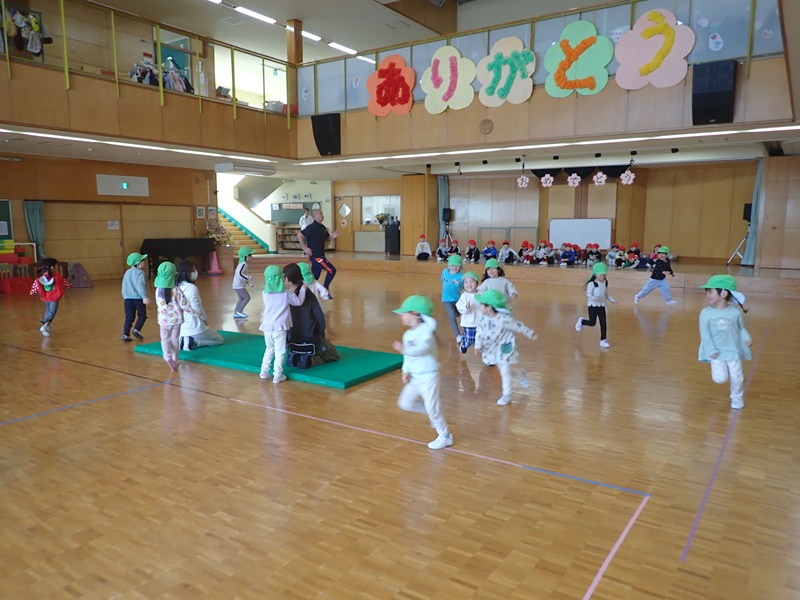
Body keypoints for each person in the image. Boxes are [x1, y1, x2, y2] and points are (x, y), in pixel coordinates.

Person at [391, 295, 453, 450]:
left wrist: (403, 349)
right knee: (405, 403)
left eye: (404, 312)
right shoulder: (407, 335)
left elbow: (421, 350)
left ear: (415, 314)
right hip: (415, 378)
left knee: (433, 410)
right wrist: (406, 371)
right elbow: (408, 357)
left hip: (429, 377)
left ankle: (445, 436)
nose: (401, 316)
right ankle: (431, 410)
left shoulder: (427, 332)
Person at [473, 289, 537, 406]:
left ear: (489, 307)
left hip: (504, 347)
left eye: (482, 305)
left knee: (504, 370)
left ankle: (507, 395)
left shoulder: (503, 319)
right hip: (491, 348)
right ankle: (519, 373)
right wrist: (478, 345)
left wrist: (530, 334)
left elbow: (518, 326)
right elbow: (479, 333)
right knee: (505, 369)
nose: (480, 307)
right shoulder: (482, 319)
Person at [698, 275, 752, 410]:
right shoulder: (705, 313)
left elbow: (741, 328)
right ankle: (721, 370)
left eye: (710, 291)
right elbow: (705, 335)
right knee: (720, 378)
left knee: (737, 377)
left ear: (723, 293)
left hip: (733, 350)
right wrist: (711, 350)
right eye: (707, 292)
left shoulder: (735, 313)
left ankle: (737, 398)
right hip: (716, 352)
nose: (707, 295)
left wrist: (746, 337)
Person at [283, 263, 339, 368]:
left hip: (292, 338)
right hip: (310, 337)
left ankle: (294, 355)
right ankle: (311, 360)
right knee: (333, 353)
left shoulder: (284, 296)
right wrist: (321, 336)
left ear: (287, 279)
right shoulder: (309, 295)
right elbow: (319, 318)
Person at [259, 264, 306, 383]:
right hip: (279, 327)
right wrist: (303, 290)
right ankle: (277, 375)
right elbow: (298, 302)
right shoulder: (286, 294)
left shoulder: (265, 293)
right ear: (282, 278)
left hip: (267, 326)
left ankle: (264, 371)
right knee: (280, 351)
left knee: (269, 348)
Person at [176, 261, 224, 350]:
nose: (196, 272)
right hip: (195, 327)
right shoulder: (191, 288)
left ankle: (183, 340)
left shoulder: (176, 287)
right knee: (219, 340)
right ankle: (195, 342)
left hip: (181, 329)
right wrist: (204, 320)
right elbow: (197, 308)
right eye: (193, 270)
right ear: (185, 273)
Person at [575, 262, 616, 348]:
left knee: (603, 323)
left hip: (602, 306)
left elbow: (605, 293)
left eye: (604, 275)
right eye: (600, 275)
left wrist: (611, 299)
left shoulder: (605, 282)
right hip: (592, 306)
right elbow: (588, 294)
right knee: (592, 322)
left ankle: (603, 340)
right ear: (595, 274)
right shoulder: (592, 284)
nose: (602, 277)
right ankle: (582, 321)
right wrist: (594, 298)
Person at [297, 208, 339, 292]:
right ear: (315, 215)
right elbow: (299, 235)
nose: (322, 215)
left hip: (321, 254)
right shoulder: (312, 227)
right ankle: (325, 290)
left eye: (322, 213)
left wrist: (333, 237)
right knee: (331, 270)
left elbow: (326, 239)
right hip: (316, 256)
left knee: (314, 277)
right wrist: (305, 248)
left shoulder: (322, 227)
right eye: (320, 214)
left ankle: (303, 290)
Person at [154, 261, 184, 371]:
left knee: (165, 339)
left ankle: (167, 357)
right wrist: (194, 312)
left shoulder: (158, 290)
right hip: (176, 320)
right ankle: (175, 359)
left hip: (163, 320)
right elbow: (184, 304)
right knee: (175, 339)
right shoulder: (177, 290)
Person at [30, 257, 71, 337]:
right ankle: (45, 325)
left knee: (48, 309)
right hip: (54, 298)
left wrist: (32, 292)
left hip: (45, 298)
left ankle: (45, 323)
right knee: (52, 311)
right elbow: (64, 283)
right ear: (52, 267)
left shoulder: (40, 277)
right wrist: (69, 285)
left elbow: (35, 287)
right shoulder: (58, 276)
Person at [121, 252, 149, 342]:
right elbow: (141, 285)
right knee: (142, 315)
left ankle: (125, 334)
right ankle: (136, 329)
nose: (144, 263)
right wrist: (144, 296)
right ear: (138, 263)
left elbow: (124, 285)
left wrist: (125, 296)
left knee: (129, 317)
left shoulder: (127, 272)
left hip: (127, 299)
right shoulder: (140, 273)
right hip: (138, 298)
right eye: (143, 261)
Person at [456, 271, 480, 354]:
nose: (469, 284)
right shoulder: (464, 296)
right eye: (466, 282)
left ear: (477, 284)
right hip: (468, 323)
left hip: (480, 323)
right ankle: (463, 343)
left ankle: (484, 354)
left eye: (472, 282)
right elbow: (459, 307)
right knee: (470, 340)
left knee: (481, 339)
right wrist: (466, 307)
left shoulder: (481, 295)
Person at [441, 254, 464, 342]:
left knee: (458, 313)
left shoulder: (460, 276)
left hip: (457, 299)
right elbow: (442, 279)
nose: (454, 268)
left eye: (457, 266)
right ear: (449, 265)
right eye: (452, 265)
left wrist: (458, 284)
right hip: (446, 299)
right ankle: (458, 335)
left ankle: (465, 331)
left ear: (460, 266)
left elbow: (461, 288)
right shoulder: (444, 272)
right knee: (451, 316)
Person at [232, 246, 255, 318]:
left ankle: (236, 312)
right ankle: (239, 311)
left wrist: (249, 283)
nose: (251, 257)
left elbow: (242, 276)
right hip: (239, 285)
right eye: (250, 255)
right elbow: (240, 274)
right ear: (246, 256)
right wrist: (249, 277)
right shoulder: (243, 264)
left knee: (241, 298)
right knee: (247, 297)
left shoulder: (243, 264)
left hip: (237, 285)